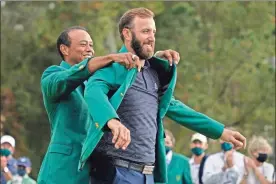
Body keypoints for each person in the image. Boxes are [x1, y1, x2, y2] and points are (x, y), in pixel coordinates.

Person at [80, 7, 246, 184]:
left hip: (149, 175)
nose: (151, 37)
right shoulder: (112, 67)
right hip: (117, 173)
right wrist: (112, 121)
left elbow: (175, 107)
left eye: (153, 32)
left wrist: (220, 131)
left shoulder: (153, 73)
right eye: (145, 31)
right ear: (127, 34)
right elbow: (93, 91)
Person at [37, 25, 180, 184]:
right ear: (64, 49)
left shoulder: (98, 82)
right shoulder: (52, 76)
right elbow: (68, 78)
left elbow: (133, 87)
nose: (89, 49)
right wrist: (112, 58)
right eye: (83, 44)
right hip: (63, 172)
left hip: (95, 173)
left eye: (91, 45)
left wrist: (153, 60)